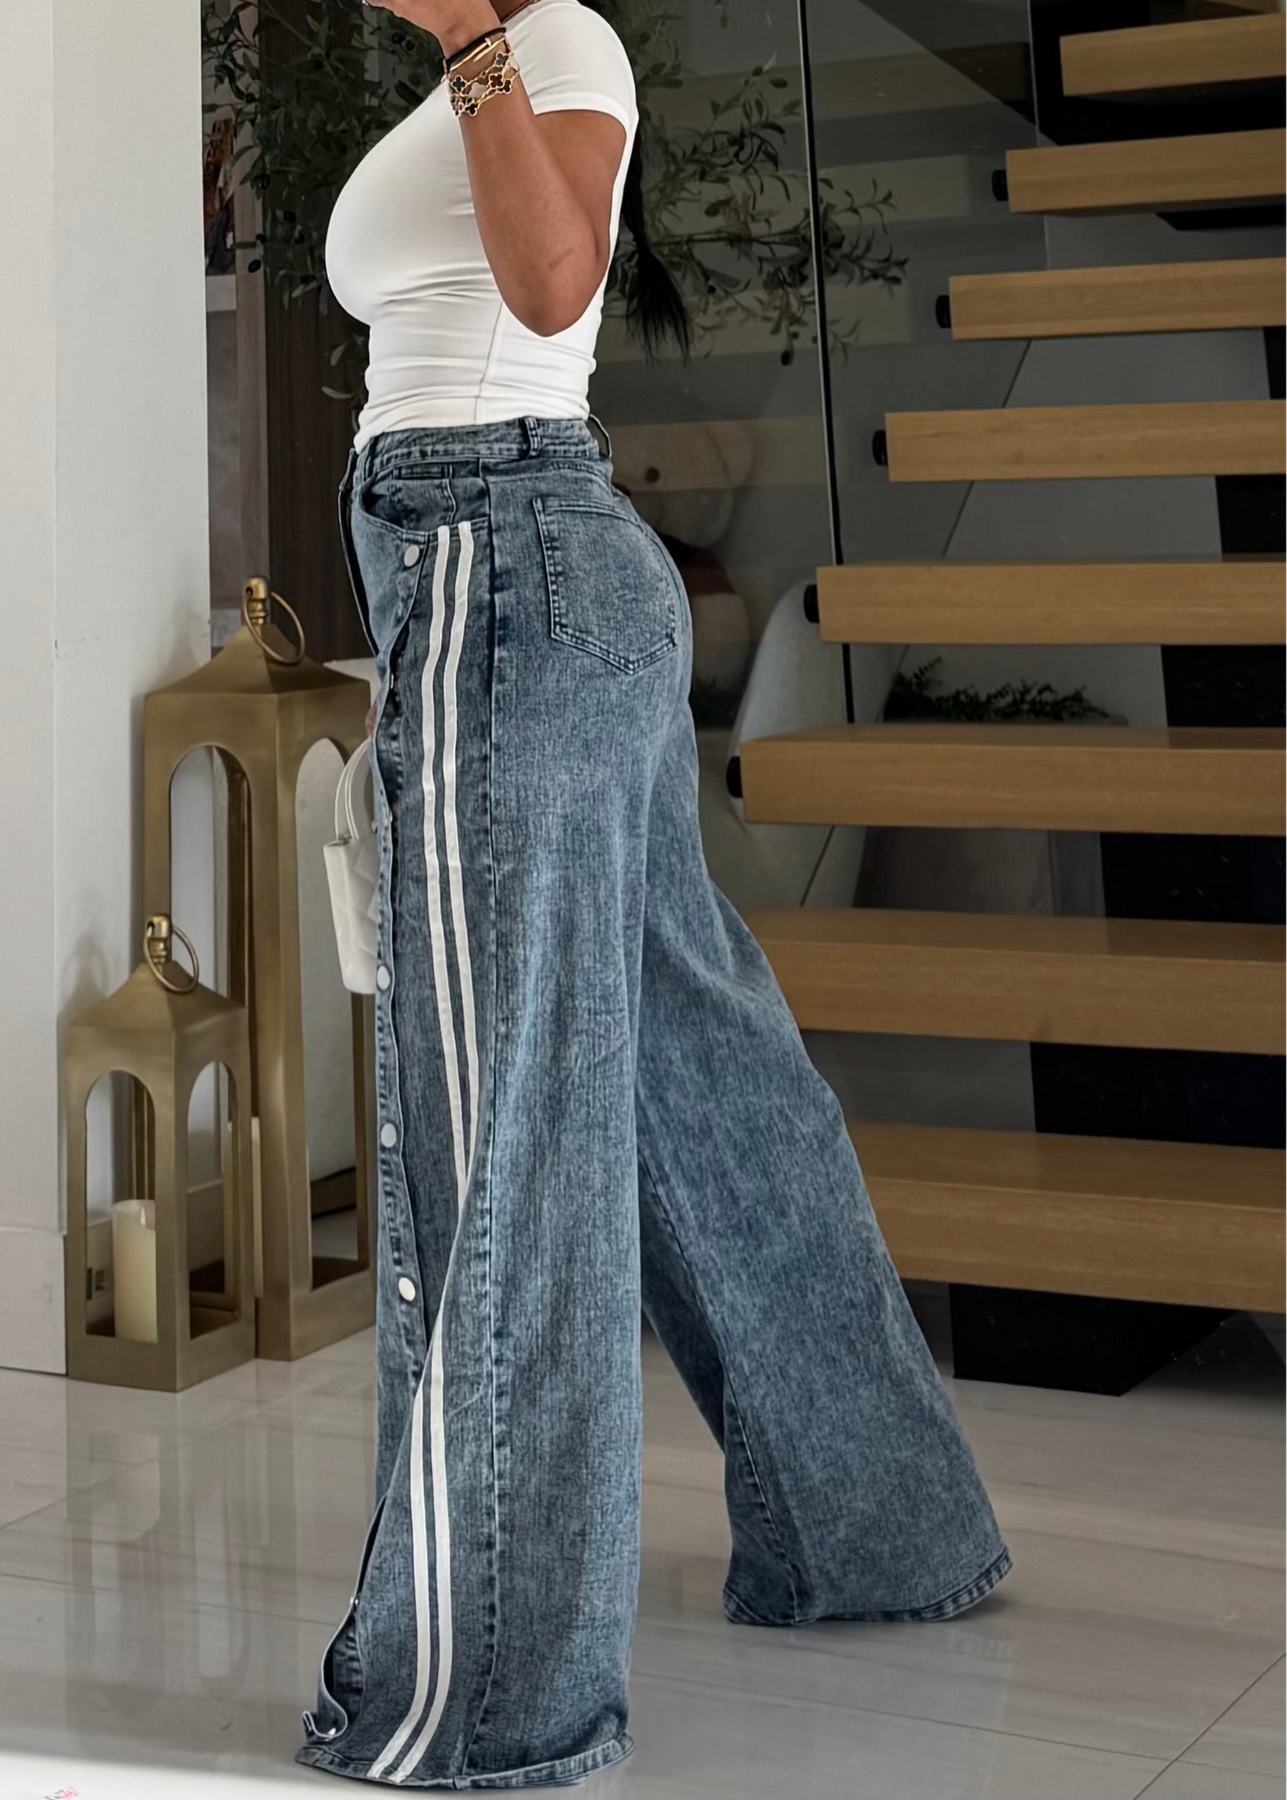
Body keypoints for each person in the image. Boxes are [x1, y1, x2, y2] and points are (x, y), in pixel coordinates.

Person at [299, 0, 1009, 1788]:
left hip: (500, 570)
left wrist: (470, 35)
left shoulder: (550, 44)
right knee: (704, 1089)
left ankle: (490, 1705)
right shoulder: (497, 71)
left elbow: (551, 291)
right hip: (521, 577)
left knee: (501, 1143)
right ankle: (879, 1533)